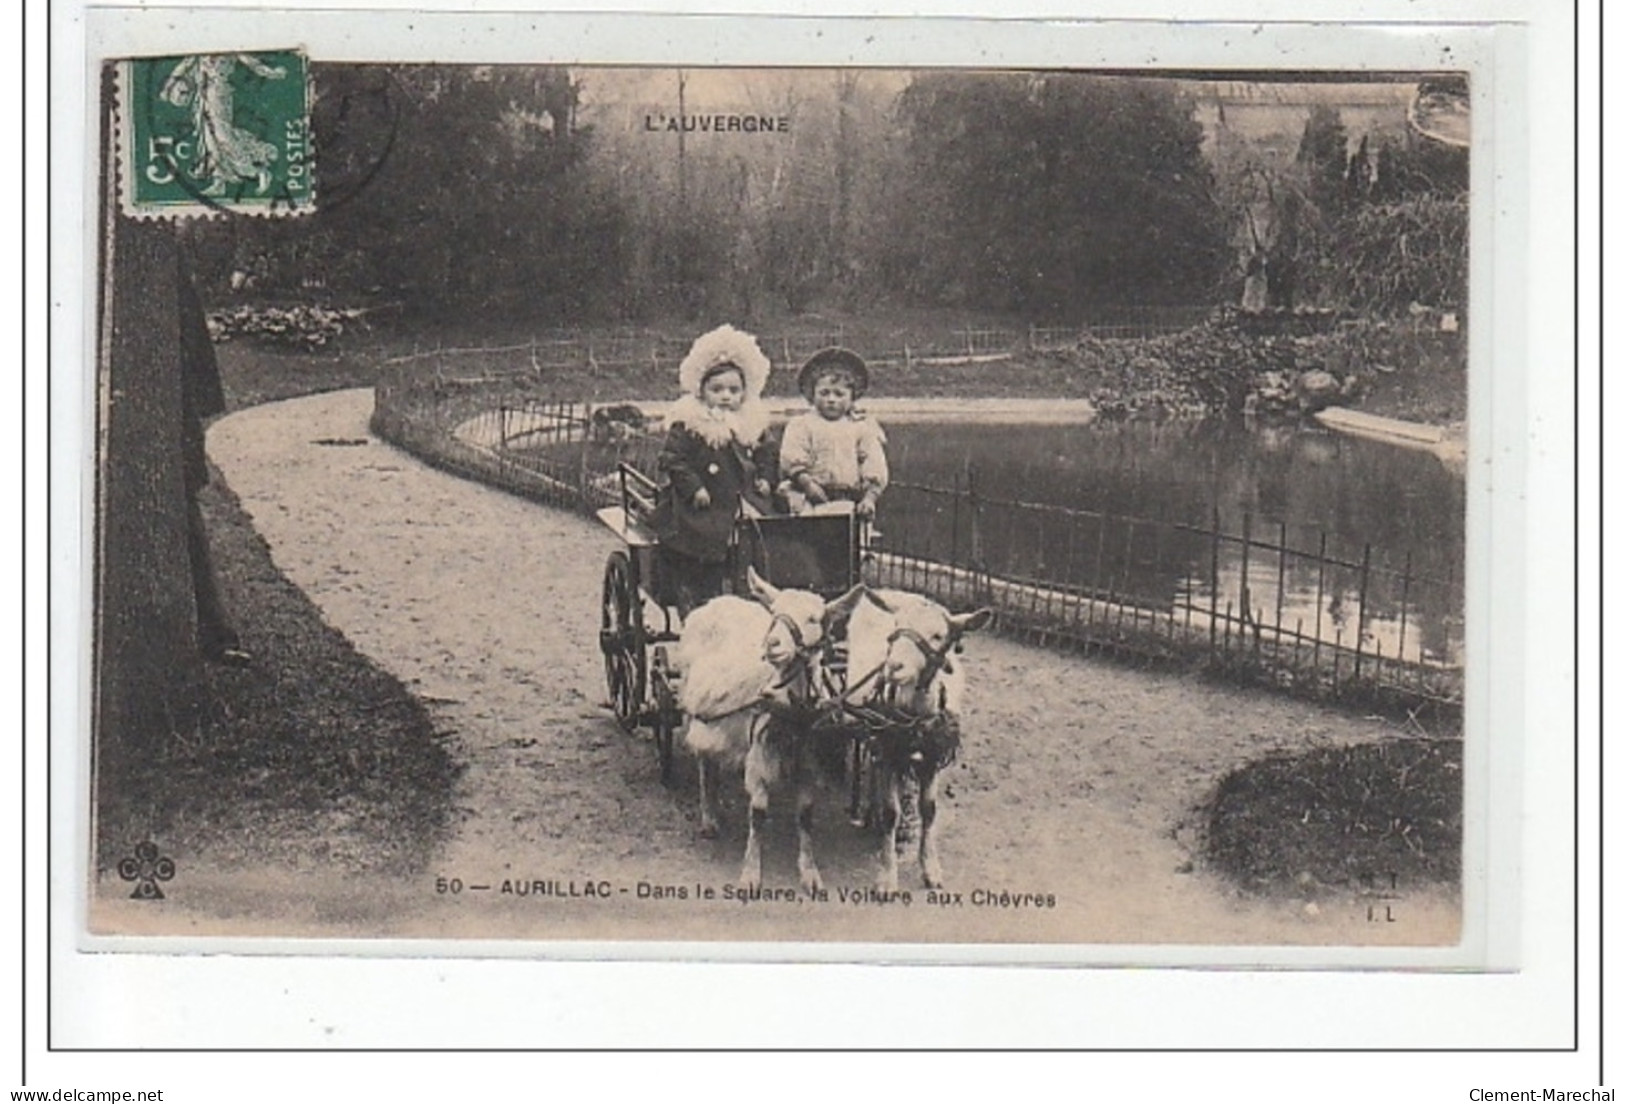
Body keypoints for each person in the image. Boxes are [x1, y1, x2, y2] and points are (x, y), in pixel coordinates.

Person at [650, 325, 778, 615]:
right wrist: (694, 487)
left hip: (741, 498)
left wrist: (765, 479)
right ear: (702, 390)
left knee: (765, 532)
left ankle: (752, 590)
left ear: (745, 392)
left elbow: (767, 454)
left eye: (734, 390)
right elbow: (674, 459)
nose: (725, 397)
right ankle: (695, 592)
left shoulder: (751, 422)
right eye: (716, 389)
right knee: (699, 541)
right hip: (700, 502)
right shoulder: (690, 422)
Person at [179, 264, 252, 667]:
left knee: (188, 518)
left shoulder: (160, 253)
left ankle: (217, 632)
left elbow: (193, 335)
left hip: (173, 413)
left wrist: (202, 411)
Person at [778, 347, 889, 519]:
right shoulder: (802, 424)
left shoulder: (861, 427)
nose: (831, 399)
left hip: (849, 498)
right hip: (809, 496)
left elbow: (873, 463)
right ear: (812, 394)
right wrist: (806, 483)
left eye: (839, 394)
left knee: (851, 533)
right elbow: (791, 457)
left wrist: (869, 498)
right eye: (824, 393)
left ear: (852, 397)